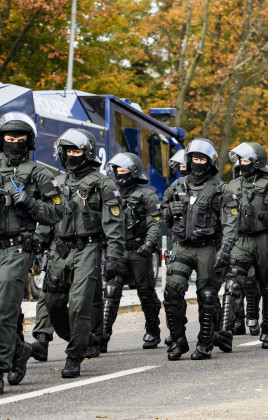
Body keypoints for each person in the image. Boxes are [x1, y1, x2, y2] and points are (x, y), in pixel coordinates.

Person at [44, 128, 126, 378]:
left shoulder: (103, 184)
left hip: (88, 249)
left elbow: (114, 223)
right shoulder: (55, 181)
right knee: (52, 303)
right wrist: (37, 245)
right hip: (59, 249)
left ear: (87, 152)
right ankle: (84, 337)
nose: (72, 155)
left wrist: (113, 256)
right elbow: (46, 218)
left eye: (77, 150)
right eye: (68, 150)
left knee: (78, 306)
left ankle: (74, 356)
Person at [0, 112, 64, 391]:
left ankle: (1, 367)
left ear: (29, 141)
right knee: (6, 311)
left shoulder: (39, 173)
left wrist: (29, 203)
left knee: (3, 309)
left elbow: (58, 211)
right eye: (9, 138)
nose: (14, 143)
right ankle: (19, 351)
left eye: (19, 139)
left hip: (17, 247)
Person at [161, 138, 237, 360]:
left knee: (208, 296)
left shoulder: (221, 189)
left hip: (208, 248)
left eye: (202, 159)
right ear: (188, 159)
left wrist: (225, 249)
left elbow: (231, 223)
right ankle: (177, 340)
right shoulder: (177, 186)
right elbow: (163, 214)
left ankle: (205, 343)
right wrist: (168, 211)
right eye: (195, 158)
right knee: (172, 293)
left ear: (210, 162)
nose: (198, 162)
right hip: (182, 246)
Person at [224, 142, 268, 349]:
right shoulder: (233, 186)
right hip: (241, 241)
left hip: (265, 240)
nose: (243, 164)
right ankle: (224, 331)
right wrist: (224, 243)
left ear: (257, 161)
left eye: (246, 160)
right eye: (241, 160)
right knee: (233, 283)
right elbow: (225, 216)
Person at [101, 153, 162, 351]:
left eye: (124, 170)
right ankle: (102, 335)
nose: (120, 174)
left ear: (133, 171)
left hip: (139, 250)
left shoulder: (147, 195)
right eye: (117, 170)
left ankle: (153, 330)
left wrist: (149, 244)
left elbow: (155, 223)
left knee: (146, 293)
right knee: (111, 291)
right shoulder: (110, 194)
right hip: (116, 250)